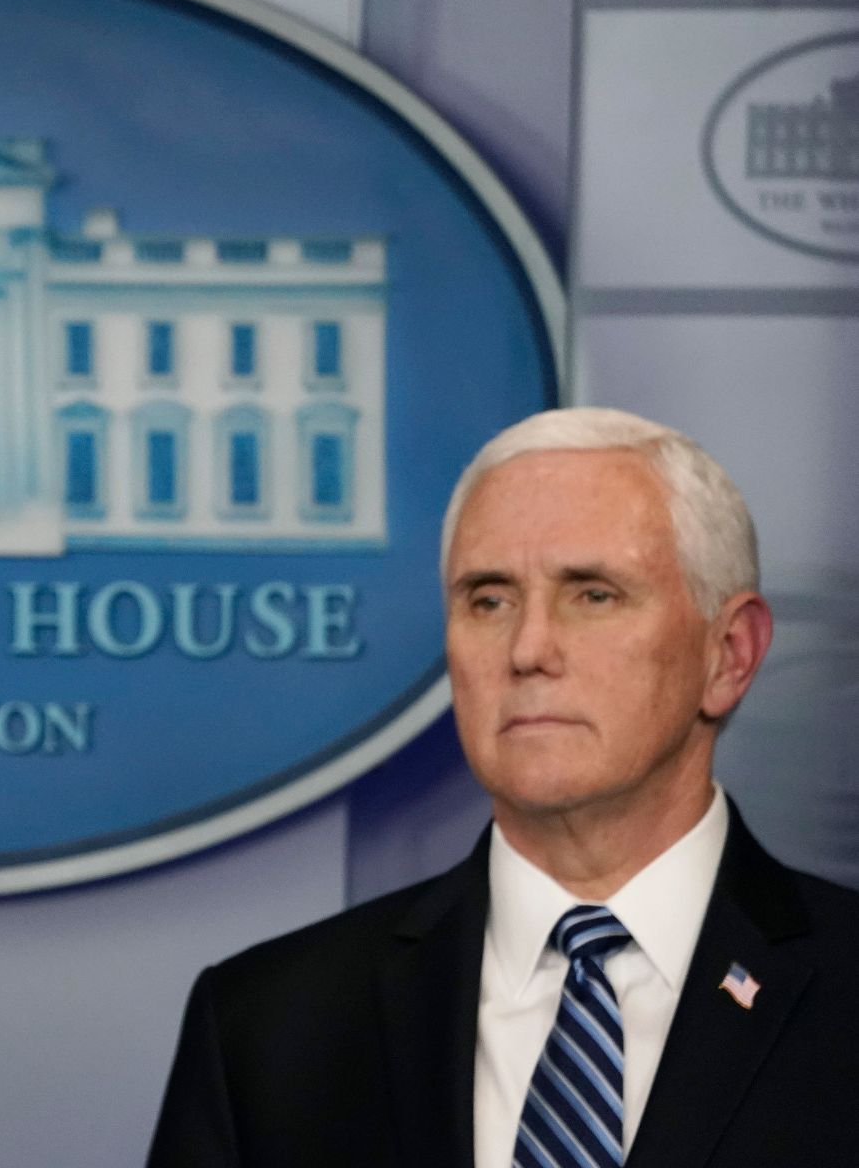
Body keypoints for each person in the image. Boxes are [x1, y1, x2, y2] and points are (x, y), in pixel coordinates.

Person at [148, 407, 859, 1168]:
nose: (528, 648)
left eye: (593, 594)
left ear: (730, 655)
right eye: (489, 600)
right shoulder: (267, 1028)